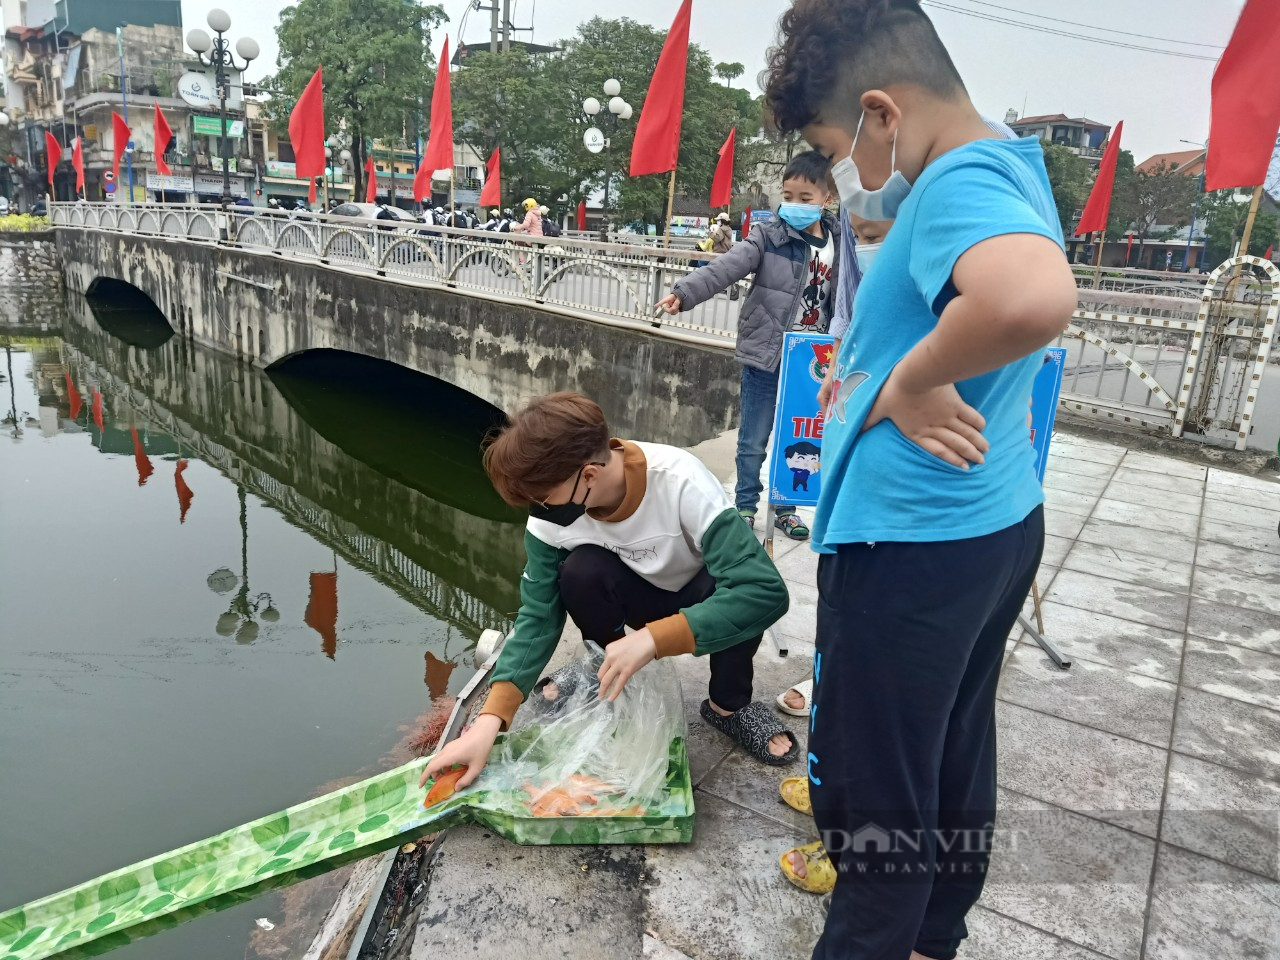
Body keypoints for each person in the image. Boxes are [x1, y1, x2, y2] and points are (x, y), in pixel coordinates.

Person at [761, 1, 1076, 957]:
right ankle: (935, 935)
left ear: (881, 112)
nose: (845, 172)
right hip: (990, 522)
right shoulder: (1008, 160)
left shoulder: (956, 182)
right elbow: (939, 264)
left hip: (911, 546)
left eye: (837, 143)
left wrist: (906, 378)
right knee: (949, 752)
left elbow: (1030, 296)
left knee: (876, 800)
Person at [420, 392, 800, 796]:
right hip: (634, 596)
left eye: (545, 498)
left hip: (697, 596)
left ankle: (729, 706)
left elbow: (764, 592)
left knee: (740, 589)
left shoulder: (679, 479)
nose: (539, 510)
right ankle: (609, 670)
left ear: (588, 475)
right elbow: (537, 617)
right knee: (580, 572)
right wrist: (489, 721)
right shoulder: (551, 520)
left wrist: (653, 640)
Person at [655, 150, 841, 542]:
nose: (794, 204)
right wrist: (684, 293)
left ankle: (787, 507)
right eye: (788, 195)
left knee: (799, 437)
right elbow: (726, 266)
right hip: (766, 352)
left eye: (805, 198)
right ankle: (745, 506)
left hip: (812, 361)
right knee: (754, 438)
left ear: (828, 198)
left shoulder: (841, 240)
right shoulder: (768, 236)